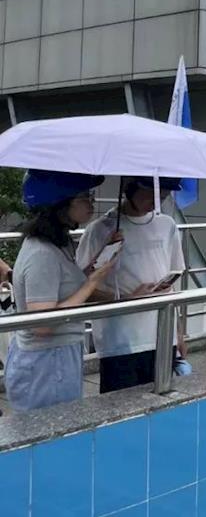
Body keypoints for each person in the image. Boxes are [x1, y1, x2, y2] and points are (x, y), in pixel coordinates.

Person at [6, 171, 118, 411]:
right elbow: (42, 324)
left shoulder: (59, 242)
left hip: (56, 357)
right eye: (84, 197)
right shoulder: (41, 253)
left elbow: (67, 285)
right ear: (59, 203)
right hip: (45, 364)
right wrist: (91, 283)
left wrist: (98, 262)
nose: (91, 203)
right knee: (50, 430)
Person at [76, 177, 186, 393]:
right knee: (119, 405)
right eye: (150, 194)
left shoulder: (167, 225)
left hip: (162, 335)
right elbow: (81, 289)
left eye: (162, 196)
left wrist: (179, 333)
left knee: (165, 401)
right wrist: (127, 299)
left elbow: (173, 282)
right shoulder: (101, 229)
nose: (155, 201)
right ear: (130, 189)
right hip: (120, 342)